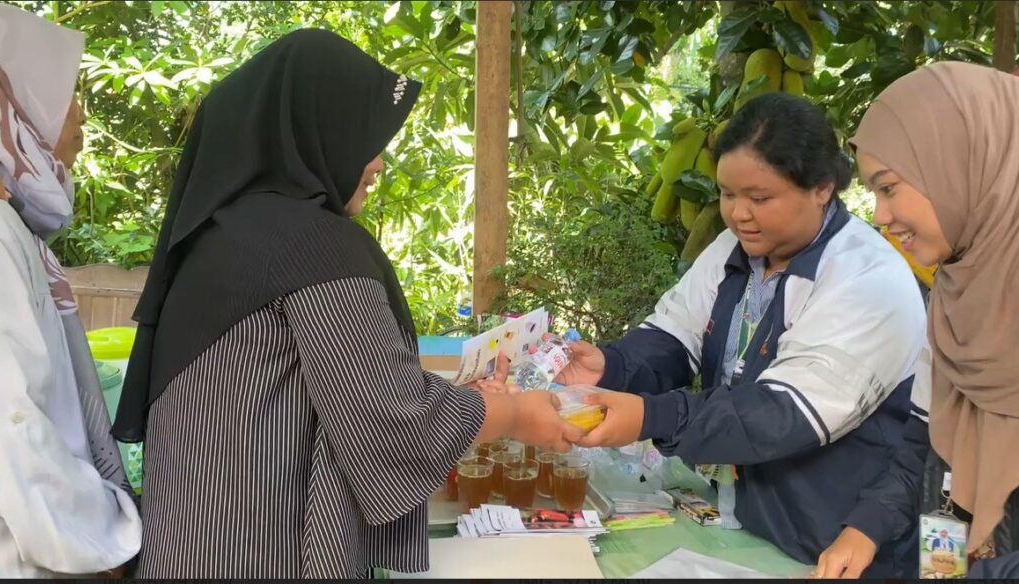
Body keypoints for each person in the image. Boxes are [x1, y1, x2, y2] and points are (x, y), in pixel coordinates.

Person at [109, 28, 581, 579]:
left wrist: (465, 404)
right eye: (364, 138)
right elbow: (395, 424)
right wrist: (517, 415)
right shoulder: (310, 246)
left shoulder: (224, 236)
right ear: (319, 129)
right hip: (260, 557)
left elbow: (333, 390)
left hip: (191, 549)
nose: (376, 164)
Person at [554, 92, 928, 576]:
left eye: (760, 198)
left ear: (821, 188)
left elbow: (783, 414)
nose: (739, 215)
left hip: (834, 543)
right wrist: (612, 366)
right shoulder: (734, 250)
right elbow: (675, 335)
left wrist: (652, 416)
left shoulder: (867, 279)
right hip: (746, 522)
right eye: (728, 195)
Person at [815, 61, 1019, 579]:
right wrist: (863, 530)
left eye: (888, 188)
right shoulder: (953, 301)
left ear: (963, 166)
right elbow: (922, 448)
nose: (880, 216)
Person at [0, 3, 142, 577]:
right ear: (18, 114)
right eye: (65, 97)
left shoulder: (17, 232)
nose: (79, 116)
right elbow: (11, 425)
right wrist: (107, 539)